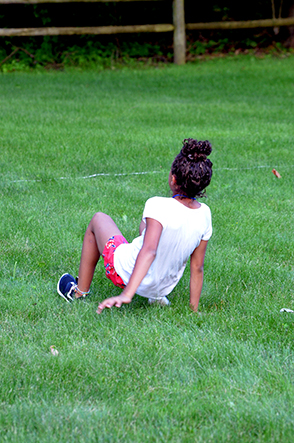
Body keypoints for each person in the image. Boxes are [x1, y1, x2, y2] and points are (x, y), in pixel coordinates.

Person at [57, 138, 213, 314]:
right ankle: (154, 297)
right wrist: (194, 310)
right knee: (147, 225)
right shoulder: (205, 214)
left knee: (99, 219)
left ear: (173, 178)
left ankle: (79, 292)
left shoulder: (158, 205)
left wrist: (127, 294)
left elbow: (149, 251)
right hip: (161, 287)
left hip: (124, 274)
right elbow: (197, 267)